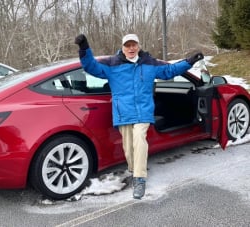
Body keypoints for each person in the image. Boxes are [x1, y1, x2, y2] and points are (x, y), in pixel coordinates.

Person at [75, 33, 203, 199]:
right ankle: (134, 168)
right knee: (128, 148)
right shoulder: (112, 65)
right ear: (122, 48)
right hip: (124, 113)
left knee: (139, 141)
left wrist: (189, 62)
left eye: (134, 45)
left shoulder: (149, 63)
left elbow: (168, 71)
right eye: (127, 45)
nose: (131, 48)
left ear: (138, 46)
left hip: (143, 111)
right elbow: (91, 67)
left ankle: (139, 179)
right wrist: (84, 48)